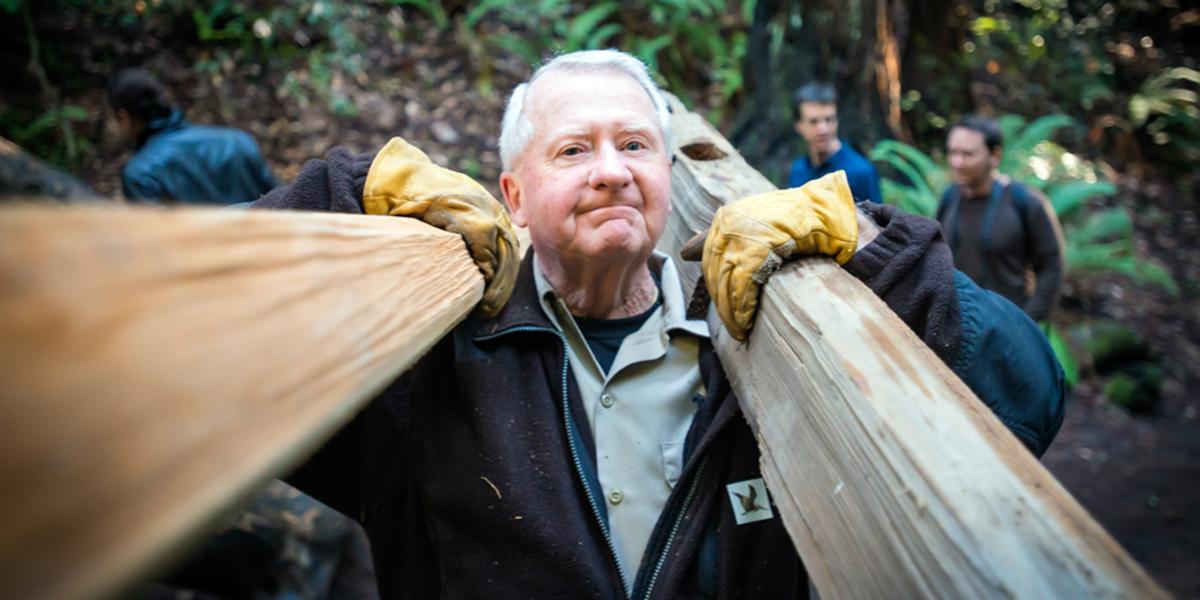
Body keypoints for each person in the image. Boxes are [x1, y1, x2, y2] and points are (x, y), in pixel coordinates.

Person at [254, 50, 1064, 598]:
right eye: (573, 151)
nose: (612, 170)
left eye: (636, 145)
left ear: (667, 180)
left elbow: (1028, 397)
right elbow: (175, 365)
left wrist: (869, 252)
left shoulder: (754, 333)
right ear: (511, 195)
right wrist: (339, 196)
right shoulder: (432, 364)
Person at [936, 115, 1064, 322]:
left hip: (1008, 325)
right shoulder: (950, 197)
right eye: (953, 152)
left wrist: (1027, 324)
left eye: (968, 154)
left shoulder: (1025, 202)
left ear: (995, 156)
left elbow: (1051, 267)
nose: (957, 162)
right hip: (959, 326)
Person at [107, 68, 278, 204]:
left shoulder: (140, 173)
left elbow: (156, 240)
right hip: (264, 244)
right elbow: (283, 199)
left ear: (124, 117)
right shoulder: (236, 140)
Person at [787, 82, 883, 203]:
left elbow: (876, 221)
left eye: (828, 119)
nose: (823, 129)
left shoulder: (861, 172)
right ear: (799, 125)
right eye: (813, 121)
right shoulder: (798, 170)